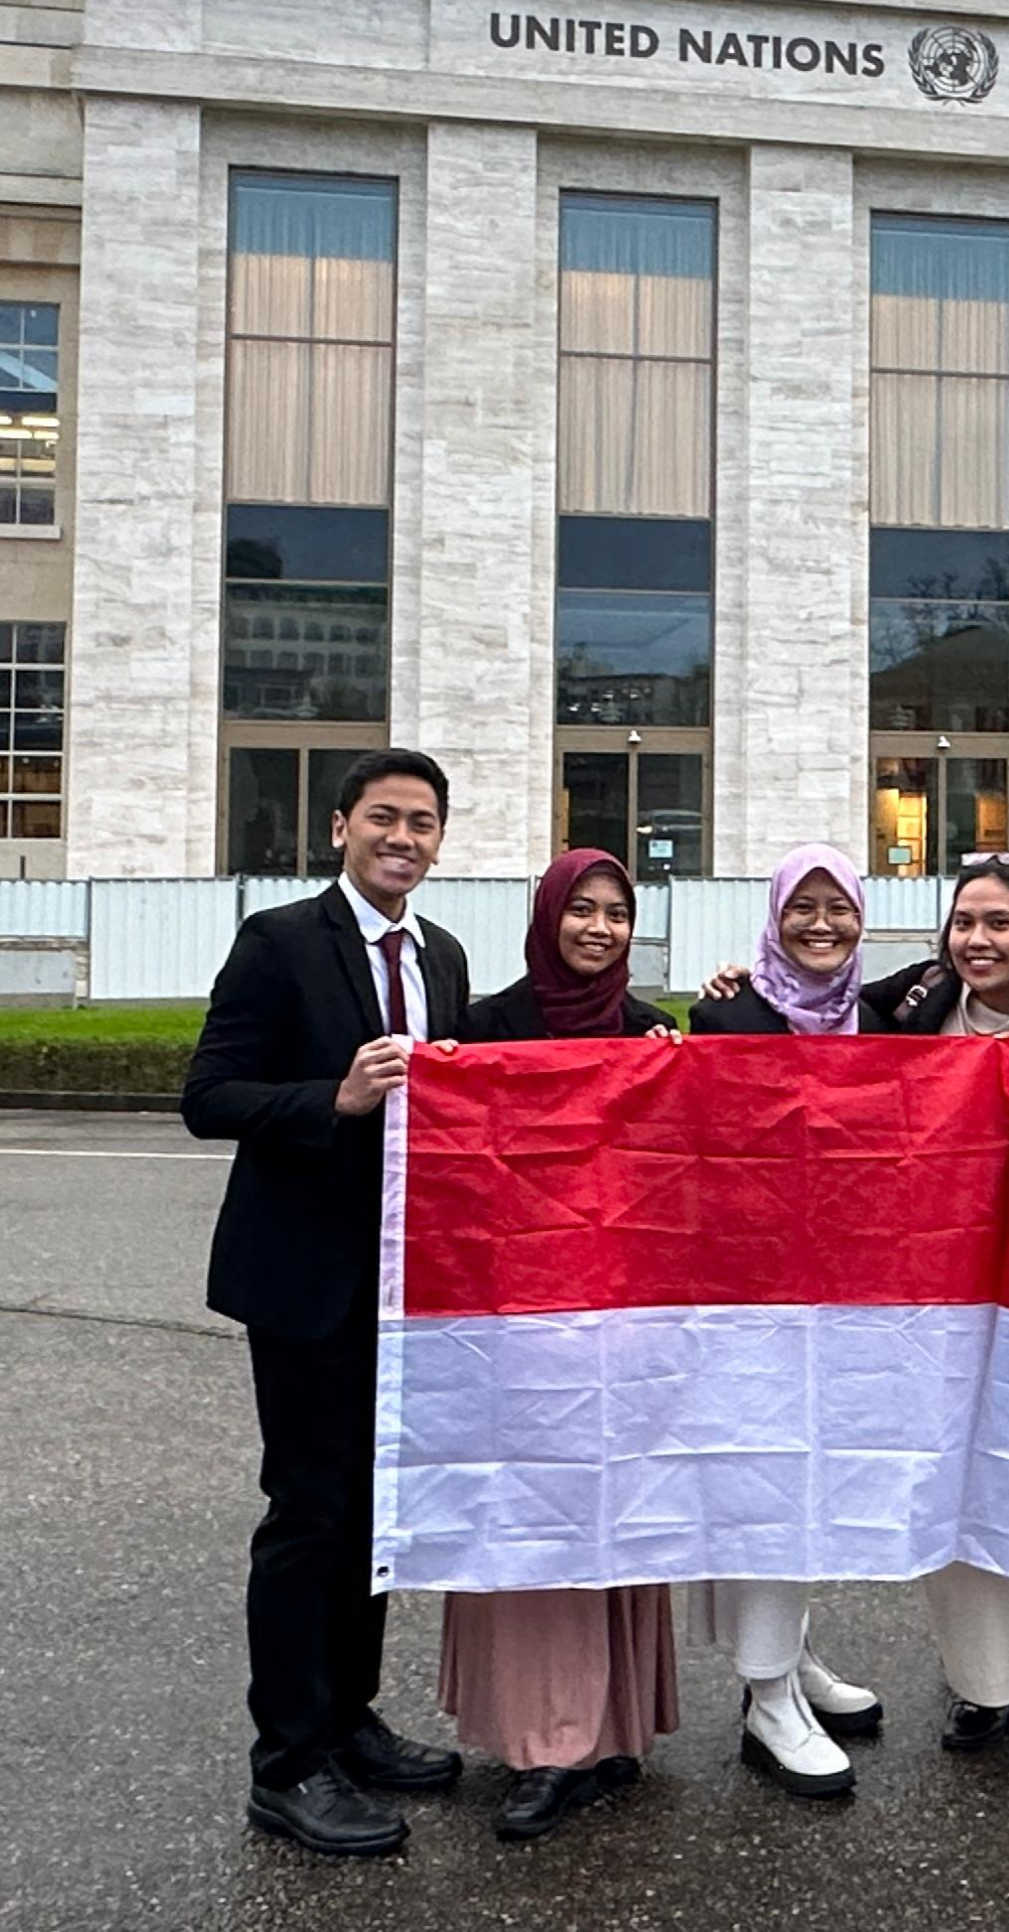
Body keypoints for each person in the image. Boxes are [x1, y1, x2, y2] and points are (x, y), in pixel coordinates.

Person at [182, 748, 471, 1861]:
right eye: (385, 817)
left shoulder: (438, 954)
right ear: (341, 825)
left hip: (403, 1283)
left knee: (371, 1511)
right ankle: (288, 1760)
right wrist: (332, 1097)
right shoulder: (279, 940)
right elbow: (208, 1094)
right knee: (309, 1514)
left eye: (424, 822)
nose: (404, 837)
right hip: (304, 1279)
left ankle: (349, 1719)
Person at [439, 848, 684, 1841]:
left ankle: (613, 1726)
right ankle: (545, 1741)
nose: (597, 927)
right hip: (517, 1325)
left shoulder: (645, 1029)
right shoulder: (491, 1024)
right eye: (579, 909)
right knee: (531, 1514)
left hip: (619, 1326)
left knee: (616, 1512)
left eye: (616, 913)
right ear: (547, 916)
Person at [860, 852, 1009, 1754]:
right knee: (955, 1479)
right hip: (940, 1298)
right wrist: (734, 987)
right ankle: (981, 1682)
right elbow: (808, 1004)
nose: (978, 940)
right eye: (964, 923)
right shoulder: (915, 1008)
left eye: (999, 923)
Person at [686, 844, 889, 1797]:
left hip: (857, 1294)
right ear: (773, 915)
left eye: (838, 906)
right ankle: (767, 1696)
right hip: (750, 1295)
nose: (820, 923)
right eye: (801, 906)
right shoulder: (727, 1012)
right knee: (768, 1481)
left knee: (821, 1482)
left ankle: (790, 1657)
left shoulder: (886, 1016)